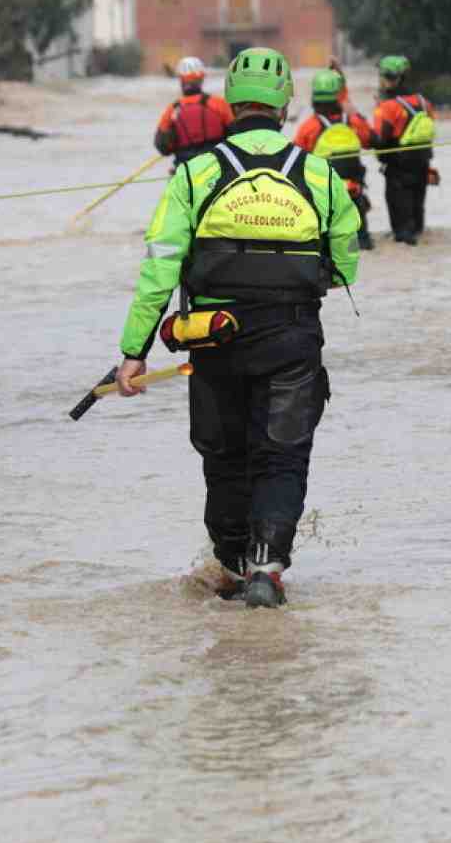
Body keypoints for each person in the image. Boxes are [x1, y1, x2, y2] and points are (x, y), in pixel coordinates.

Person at [114, 47, 361, 609]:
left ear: (228, 100)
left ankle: (228, 567)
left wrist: (134, 351)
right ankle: (267, 567)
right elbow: (346, 266)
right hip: (293, 337)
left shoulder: (196, 175)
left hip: (213, 339)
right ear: (285, 105)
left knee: (224, 457)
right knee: (283, 455)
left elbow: (160, 266)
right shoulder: (318, 174)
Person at [292, 68, 376, 251]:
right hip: (353, 193)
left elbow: (296, 160)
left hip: (323, 196)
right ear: (338, 97)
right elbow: (371, 140)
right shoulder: (354, 122)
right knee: (361, 241)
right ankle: (363, 239)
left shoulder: (309, 127)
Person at [370, 54, 437, 245]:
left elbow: (379, 141)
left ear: (392, 79)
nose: (380, 81)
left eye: (383, 76)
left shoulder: (387, 107)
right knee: (417, 223)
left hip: (397, 173)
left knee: (402, 233)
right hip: (422, 167)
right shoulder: (425, 103)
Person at [154, 56, 234, 166]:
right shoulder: (219, 104)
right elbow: (236, 133)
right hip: (217, 166)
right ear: (201, 79)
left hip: (184, 169)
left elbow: (162, 147)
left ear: (181, 80)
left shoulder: (172, 110)